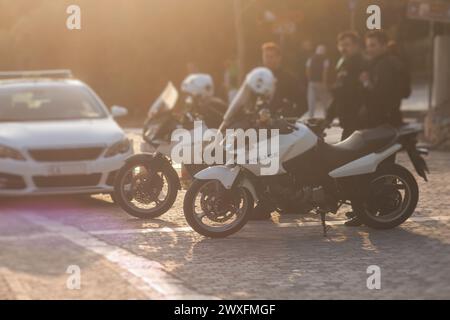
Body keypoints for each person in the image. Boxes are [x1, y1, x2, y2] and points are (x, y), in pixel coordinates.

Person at [360, 30, 407, 128]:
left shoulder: (384, 65)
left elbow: (381, 95)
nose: (369, 49)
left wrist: (366, 82)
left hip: (383, 119)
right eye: (367, 46)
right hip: (389, 116)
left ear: (384, 46)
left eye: (373, 45)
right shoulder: (384, 62)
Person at [325, 31, 367, 140]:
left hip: (358, 119)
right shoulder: (343, 63)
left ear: (356, 46)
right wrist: (329, 117)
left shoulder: (363, 63)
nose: (343, 48)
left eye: (347, 45)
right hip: (347, 118)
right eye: (341, 45)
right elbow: (340, 93)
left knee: (347, 153)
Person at [261, 42, 306, 118]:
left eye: (271, 57)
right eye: (266, 56)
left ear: (279, 58)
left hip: (280, 125)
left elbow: (304, 103)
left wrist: (290, 118)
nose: (268, 60)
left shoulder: (288, 78)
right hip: (258, 124)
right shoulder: (257, 78)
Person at [306, 44, 331, 118]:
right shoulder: (325, 59)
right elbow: (325, 72)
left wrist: (309, 79)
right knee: (325, 100)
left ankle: (311, 116)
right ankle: (327, 116)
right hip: (320, 82)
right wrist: (324, 83)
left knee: (311, 99)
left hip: (311, 82)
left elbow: (307, 70)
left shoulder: (311, 58)